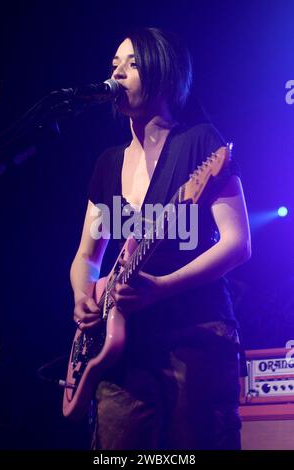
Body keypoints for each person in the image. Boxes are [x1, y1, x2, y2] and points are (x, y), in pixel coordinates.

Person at [70, 27, 251, 450]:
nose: (118, 72)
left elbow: (238, 243)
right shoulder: (107, 164)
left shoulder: (201, 144)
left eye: (132, 63)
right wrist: (83, 294)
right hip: (120, 348)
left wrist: (164, 288)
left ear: (164, 71)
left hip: (196, 331)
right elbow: (86, 256)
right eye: (114, 65)